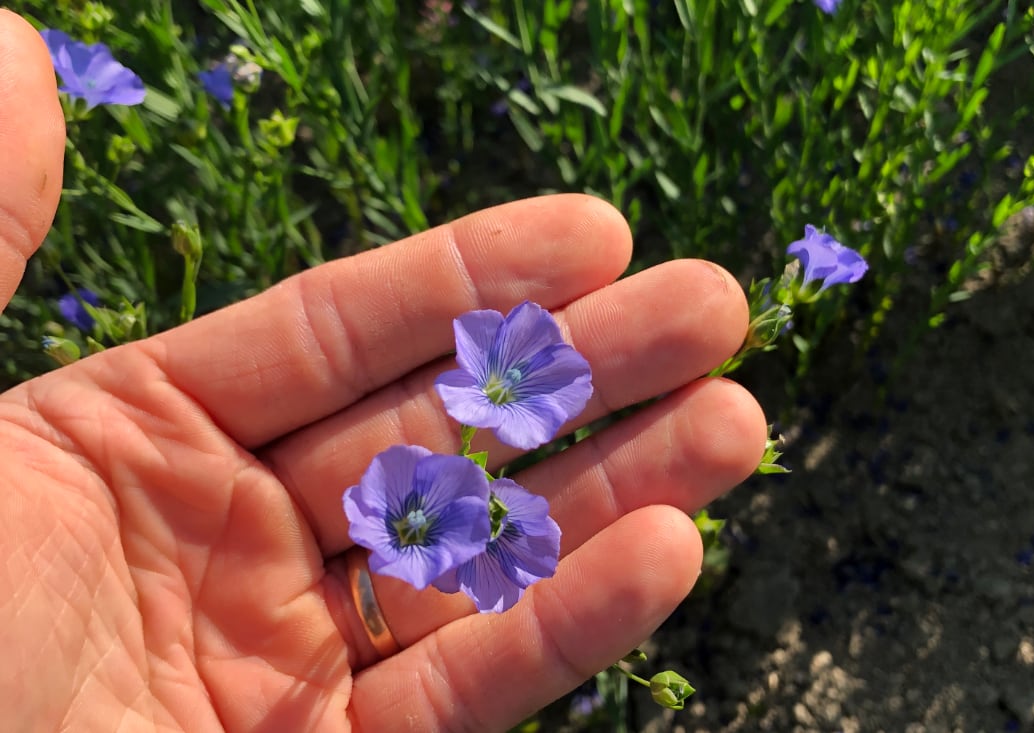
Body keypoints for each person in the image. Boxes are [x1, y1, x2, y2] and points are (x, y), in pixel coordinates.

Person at [0, 9, 765, 731]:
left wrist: (446, 520)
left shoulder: (468, 456)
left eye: (503, 389)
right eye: (493, 384)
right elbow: (429, 494)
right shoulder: (453, 450)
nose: (495, 391)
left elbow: (452, 488)